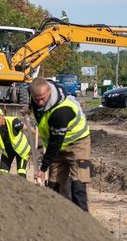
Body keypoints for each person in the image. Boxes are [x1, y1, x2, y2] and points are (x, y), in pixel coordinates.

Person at [29, 77, 92, 210]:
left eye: (42, 98)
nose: (40, 102)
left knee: (78, 184)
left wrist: (42, 169)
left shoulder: (62, 111)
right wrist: (28, 110)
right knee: (54, 186)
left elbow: (55, 143)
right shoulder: (36, 99)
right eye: (36, 99)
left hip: (77, 144)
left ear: (49, 92)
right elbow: (38, 109)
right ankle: (59, 219)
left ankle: (83, 221)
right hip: (57, 145)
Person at [0, 107, 31, 177]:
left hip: (21, 151)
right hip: (7, 152)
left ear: (2, 116)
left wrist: (37, 133)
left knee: (21, 173)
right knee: (2, 175)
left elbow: (26, 127)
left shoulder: (13, 121)